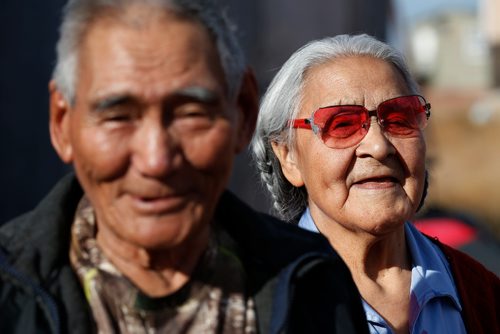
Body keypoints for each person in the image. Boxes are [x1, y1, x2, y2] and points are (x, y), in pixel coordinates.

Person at [0, 2, 369, 333]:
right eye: (118, 117)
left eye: (191, 114)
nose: (156, 160)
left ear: (242, 113)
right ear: (62, 124)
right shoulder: (10, 294)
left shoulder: (316, 284)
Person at [252, 33, 500, 334]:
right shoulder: (250, 304)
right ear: (288, 157)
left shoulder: (483, 295)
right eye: (342, 124)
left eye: (399, 119)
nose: (379, 147)